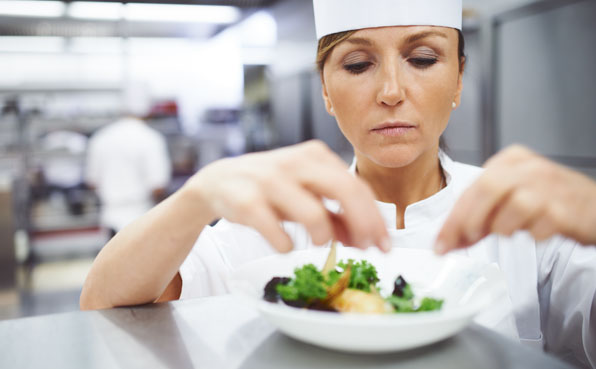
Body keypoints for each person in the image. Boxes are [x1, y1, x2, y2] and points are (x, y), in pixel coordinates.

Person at [80, 1, 596, 367]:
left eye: (422, 59)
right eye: (357, 63)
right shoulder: (280, 219)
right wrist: (198, 196)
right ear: (326, 89)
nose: (392, 91)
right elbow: (102, 306)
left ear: (458, 78)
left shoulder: (526, 218)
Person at [85, 84, 171, 237]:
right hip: (141, 217)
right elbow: (158, 186)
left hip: (109, 217)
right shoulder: (151, 139)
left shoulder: (101, 137)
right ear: (148, 110)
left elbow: (92, 181)